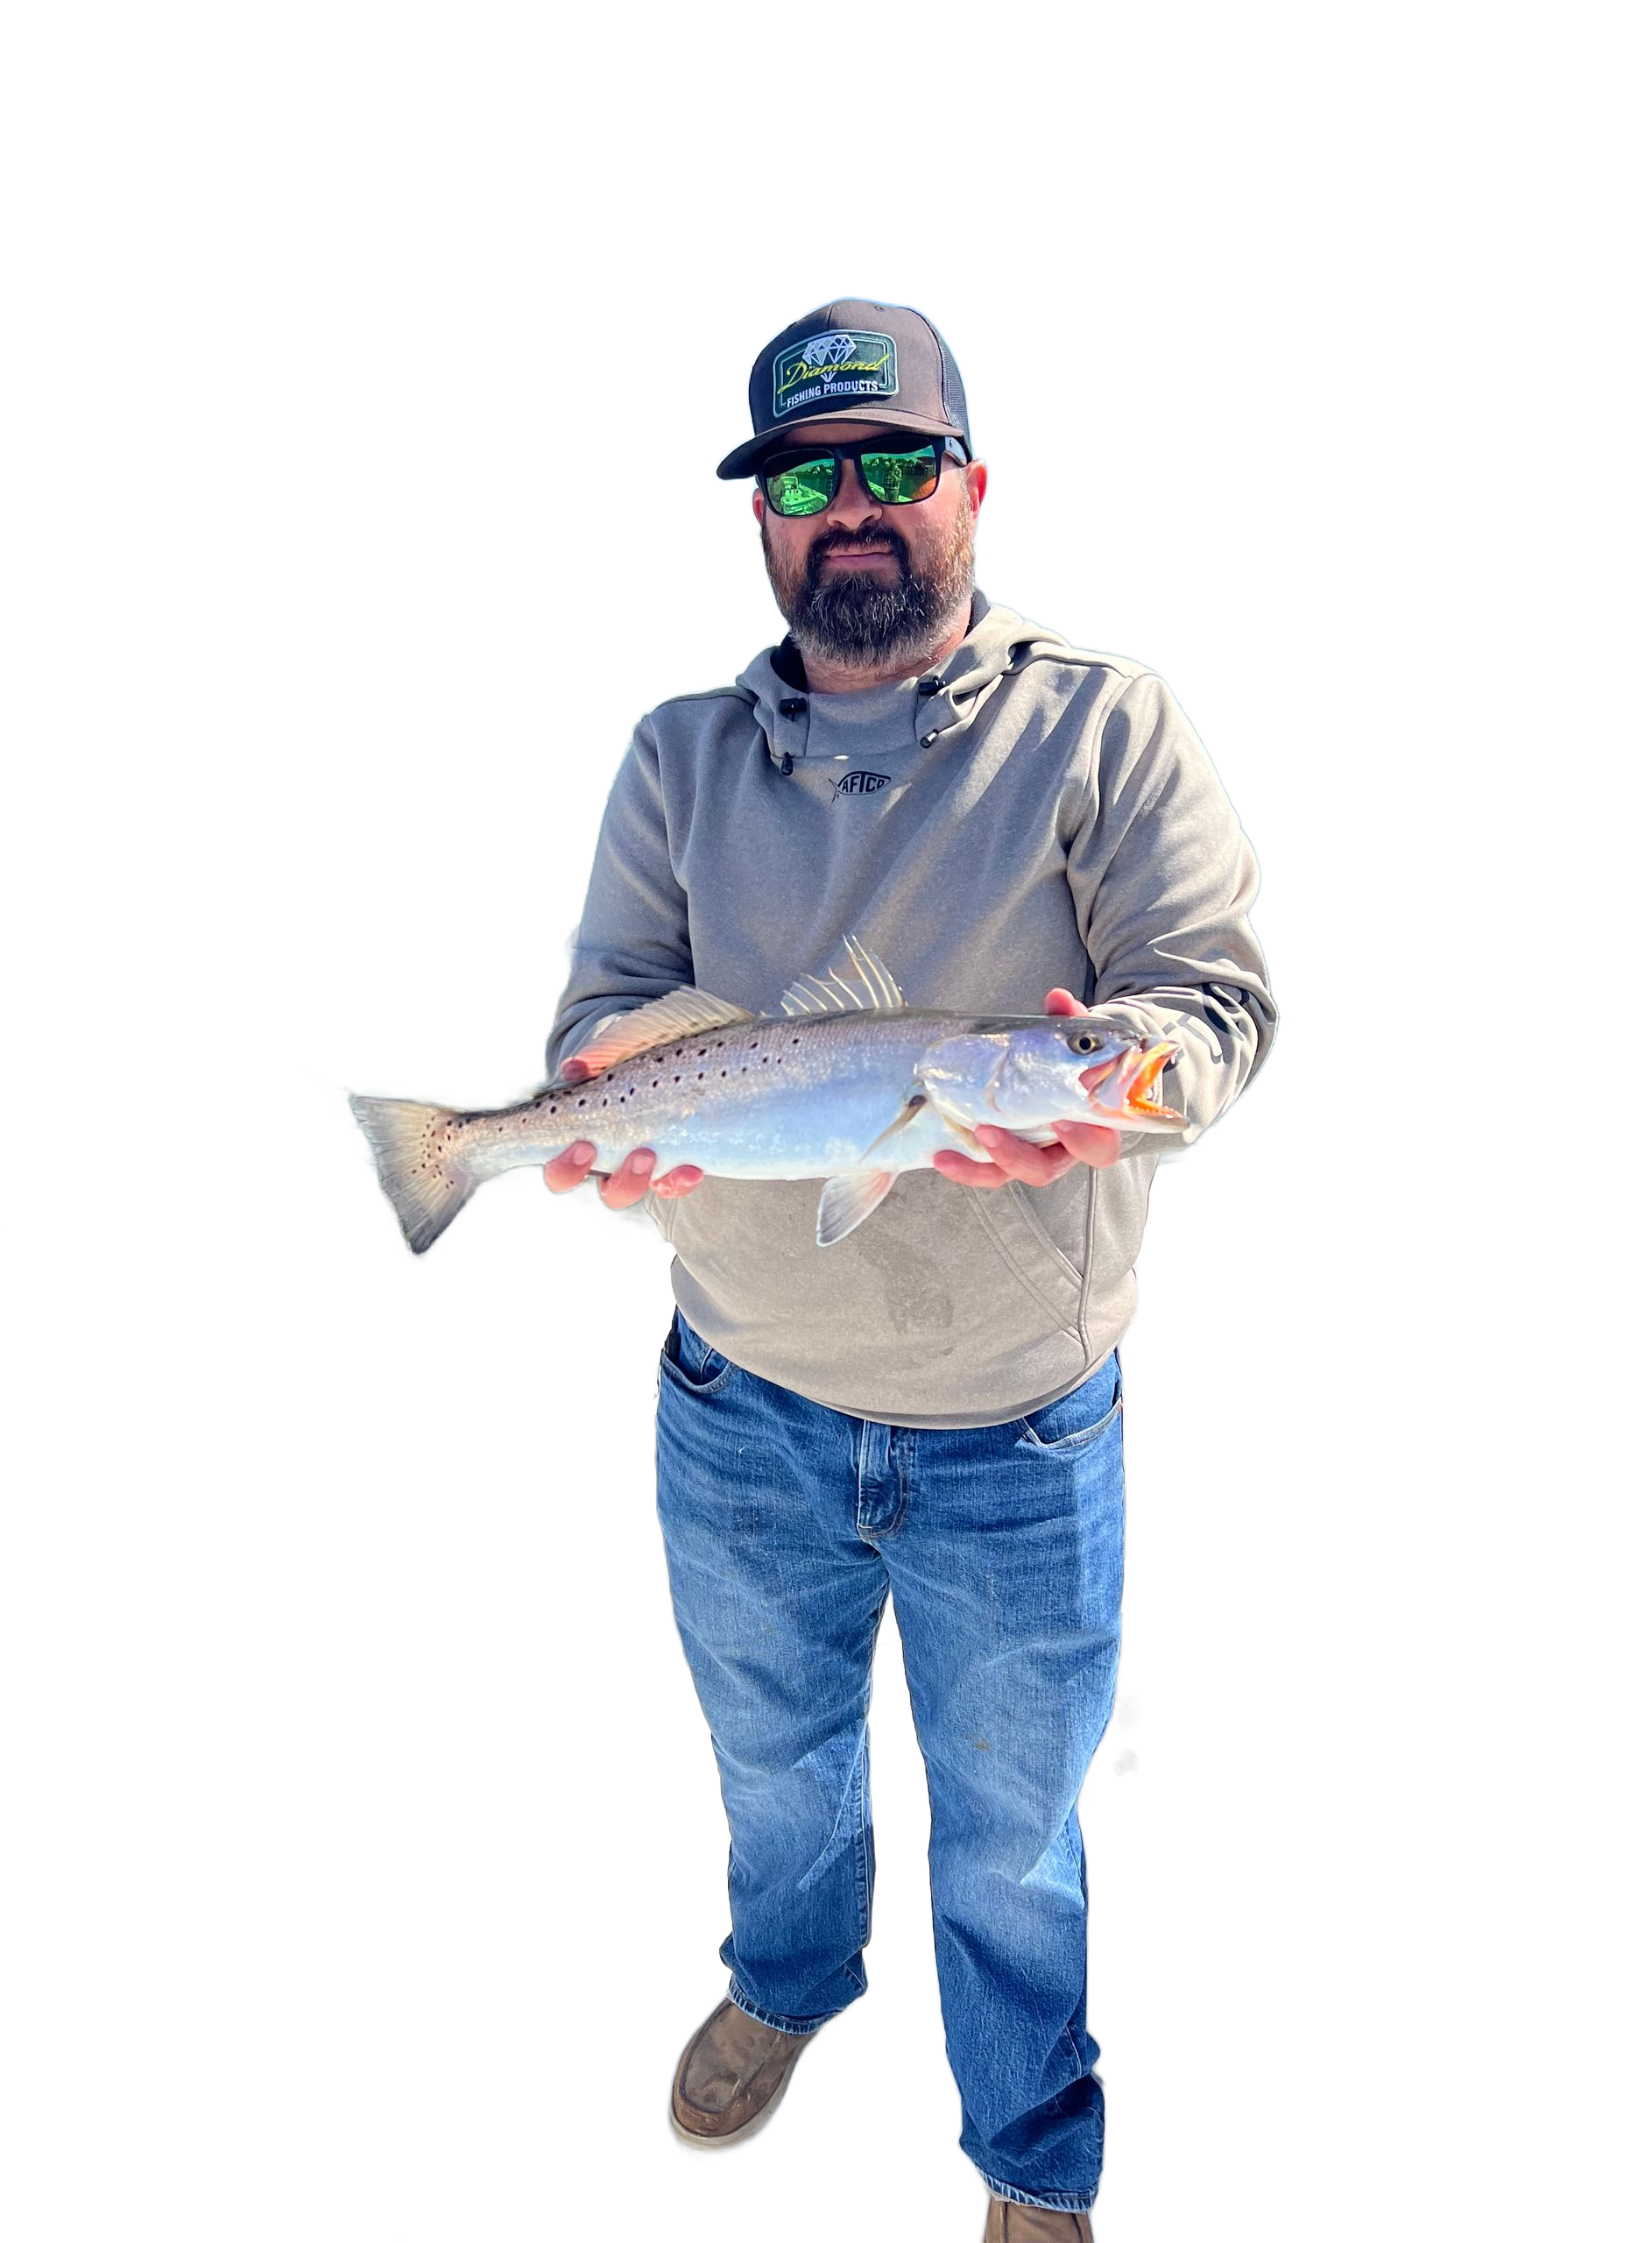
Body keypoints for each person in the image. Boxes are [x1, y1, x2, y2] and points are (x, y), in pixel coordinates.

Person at [540, 298, 1278, 2239]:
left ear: (970, 484)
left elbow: (1210, 1002)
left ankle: (1032, 2155)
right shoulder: (672, 753)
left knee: (1017, 1840)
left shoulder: (1110, 721)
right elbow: (607, 1012)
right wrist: (593, 1133)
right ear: (762, 522)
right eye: (802, 478)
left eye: (889, 463)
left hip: (1020, 1435)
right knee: (774, 1763)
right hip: (735, 1406)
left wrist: (1131, 1093)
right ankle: (786, 1988)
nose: (845, 507)